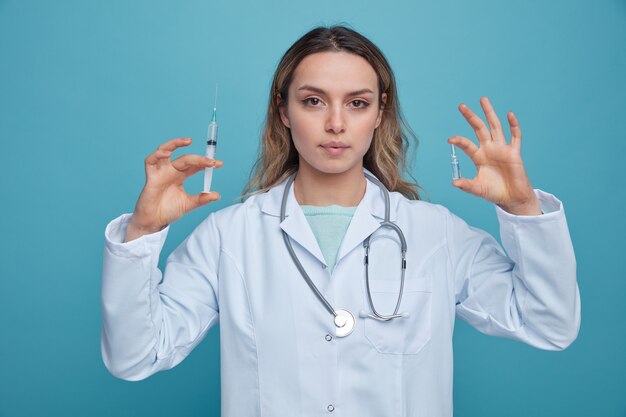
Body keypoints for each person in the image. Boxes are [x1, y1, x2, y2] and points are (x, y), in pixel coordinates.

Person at [101, 26, 580, 416]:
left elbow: (549, 325)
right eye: (313, 101)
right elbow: (134, 356)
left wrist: (522, 209)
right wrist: (141, 234)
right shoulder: (231, 235)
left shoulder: (436, 234)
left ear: (379, 112)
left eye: (357, 102)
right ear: (282, 110)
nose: (335, 123)